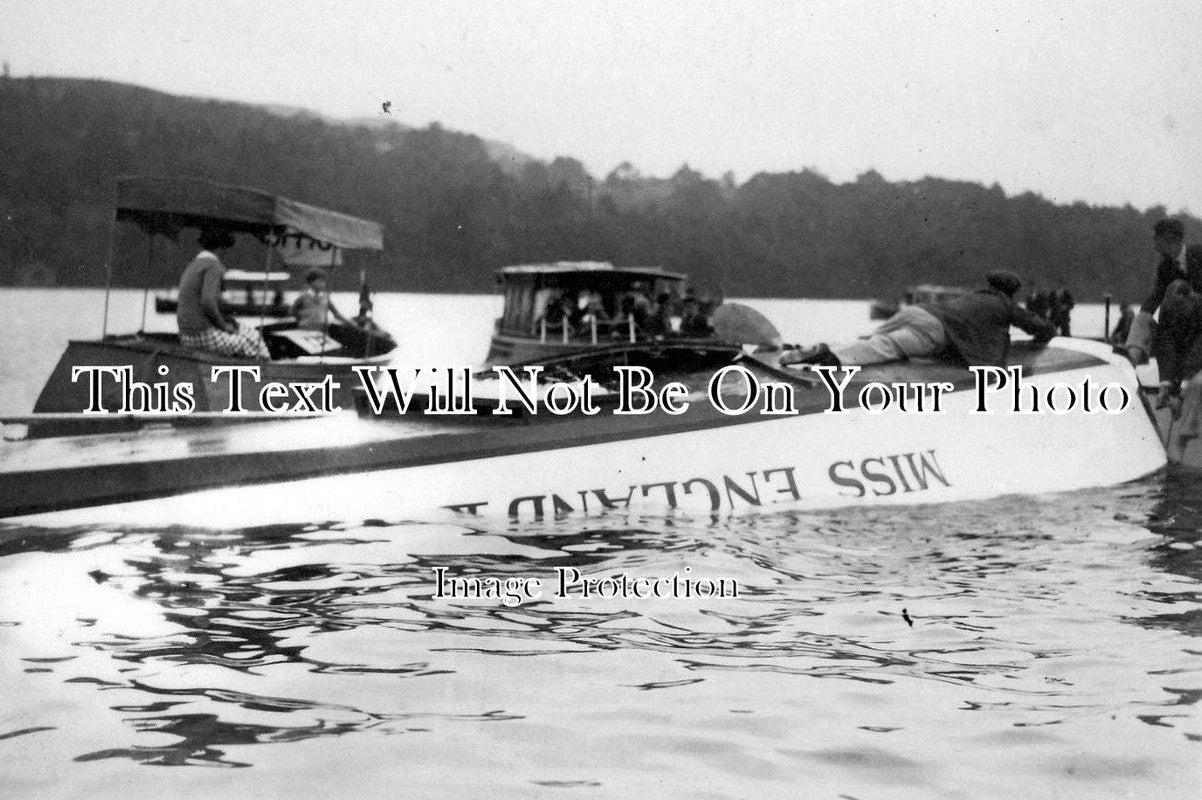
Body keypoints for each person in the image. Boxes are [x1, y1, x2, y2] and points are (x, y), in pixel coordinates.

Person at [782, 270, 1055, 369]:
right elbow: (1040, 327)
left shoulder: (974, 295)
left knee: (873, 339)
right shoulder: (1005, 305)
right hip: (934, 328)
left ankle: (823, 349)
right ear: (1010, 291)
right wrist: (1049, 330)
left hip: (917, 311)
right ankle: (833, 358)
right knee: (887, 347)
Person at [1126, 218, 1202, 406]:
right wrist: (1142, 318)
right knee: (1146, 320)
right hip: (1181, 324)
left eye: (1155, 240)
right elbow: (1155, 298)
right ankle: (1128, 365)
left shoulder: (1199, 255)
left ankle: (1182, 386)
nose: (1154, 246)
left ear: (1167, 239)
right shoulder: (1165, 268)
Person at [176, 228, 270, 359]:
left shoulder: (194, 265)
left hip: (186, 335)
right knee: (255, 342)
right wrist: (224, 325)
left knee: (249, 333)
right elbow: (207, 302)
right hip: (202, 333)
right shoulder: (214, 266)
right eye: (226, 249)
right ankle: (267, 373)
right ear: (221, 248)